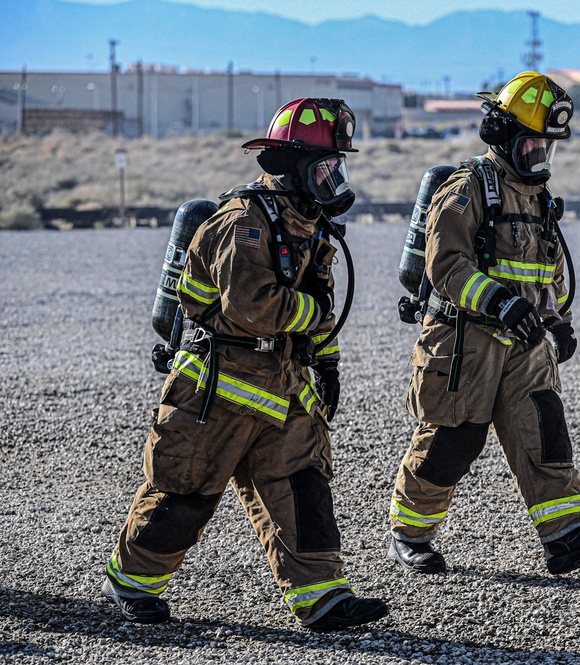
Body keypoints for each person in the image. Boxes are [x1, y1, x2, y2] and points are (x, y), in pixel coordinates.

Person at [101, 98, 388, 630]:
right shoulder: (243, 224)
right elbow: (254, 308)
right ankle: (133, 582)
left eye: (336, 169)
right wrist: (315, 315)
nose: (333, 181)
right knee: (185, 491)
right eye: (324, 169)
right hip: (217, 388)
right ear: (291, 167)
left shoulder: (308, 227)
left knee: (302, 487)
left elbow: (318, 308)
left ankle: (322, 597)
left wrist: (327, 364)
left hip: (284, 384)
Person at [387, 72, 580, 576]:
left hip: (524, 343)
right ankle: (409, 535)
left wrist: (558, 320)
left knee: (543, 429)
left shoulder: (536, 196)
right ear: (502, 137)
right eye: (532, 144)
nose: (540, 156)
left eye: (546, 147)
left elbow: (547, 270)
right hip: (463, 343)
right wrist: (499, 303)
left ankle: (566, 535)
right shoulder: (466, 189)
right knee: (452, 441)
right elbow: (446, 265)